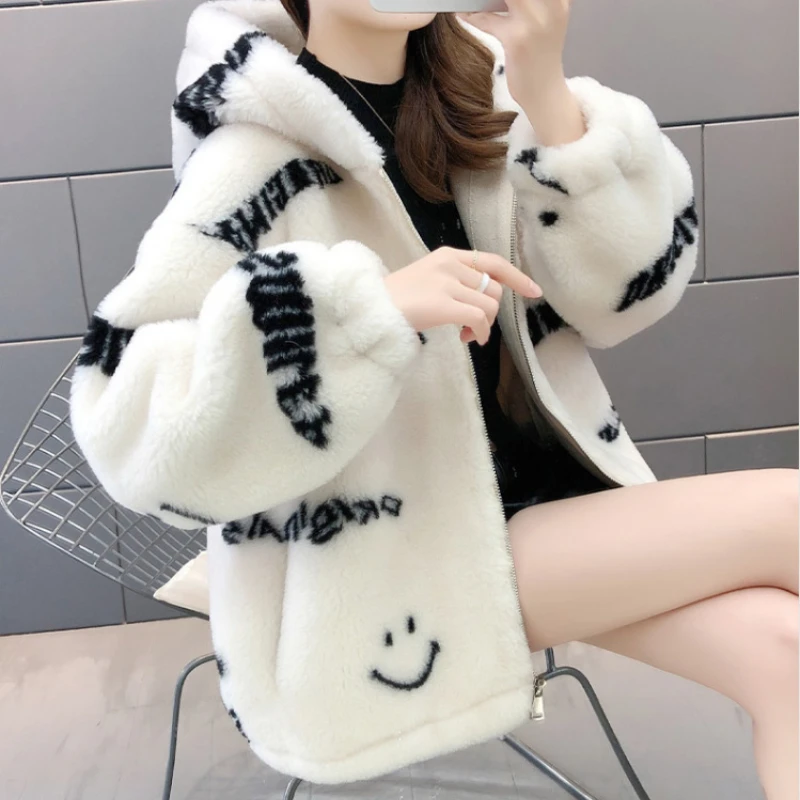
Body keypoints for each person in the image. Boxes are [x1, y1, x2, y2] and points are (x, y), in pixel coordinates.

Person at [69, 0, 799, 793]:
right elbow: (131, 420)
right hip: (408, 559)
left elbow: (628, 295)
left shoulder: (478, 106)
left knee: (781, 652)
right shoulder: (255, 159)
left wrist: (546, 87)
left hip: (548, 506)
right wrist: (366, 311)